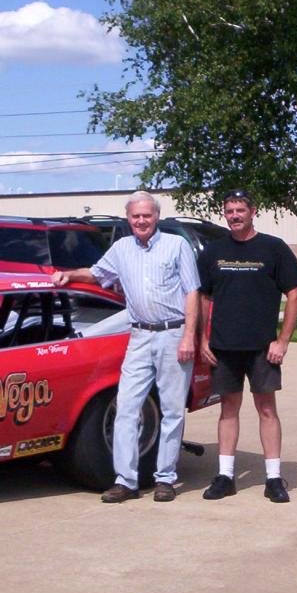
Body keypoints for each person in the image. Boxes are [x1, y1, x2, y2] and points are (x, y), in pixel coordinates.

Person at [52, 191, 200, 503]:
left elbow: (192, 292)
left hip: (173, 334)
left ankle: (165, 479)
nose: (141, 221)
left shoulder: (176, 245)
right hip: (139, 336)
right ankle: (125, 481)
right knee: (127, 407)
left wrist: (189, 336)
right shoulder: (121, 249)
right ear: (128, 218)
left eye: (146, 215)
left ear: (156, 216)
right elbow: (96, 274)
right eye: (136, 216)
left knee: (172, 410)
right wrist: (69, 274)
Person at [196, 189, 297, 503]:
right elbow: (204, 296)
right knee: (228, 409)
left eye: (240, 210)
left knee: (267, 409)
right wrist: (203, 339)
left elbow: (295, 293)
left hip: (262, 348)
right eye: (230, 211)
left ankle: (273, 478)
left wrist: (282, 341)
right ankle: (225, 476)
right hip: (224, 347)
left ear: (252, 212)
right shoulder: (214, 251)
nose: (234, 216)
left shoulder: (273, 248)